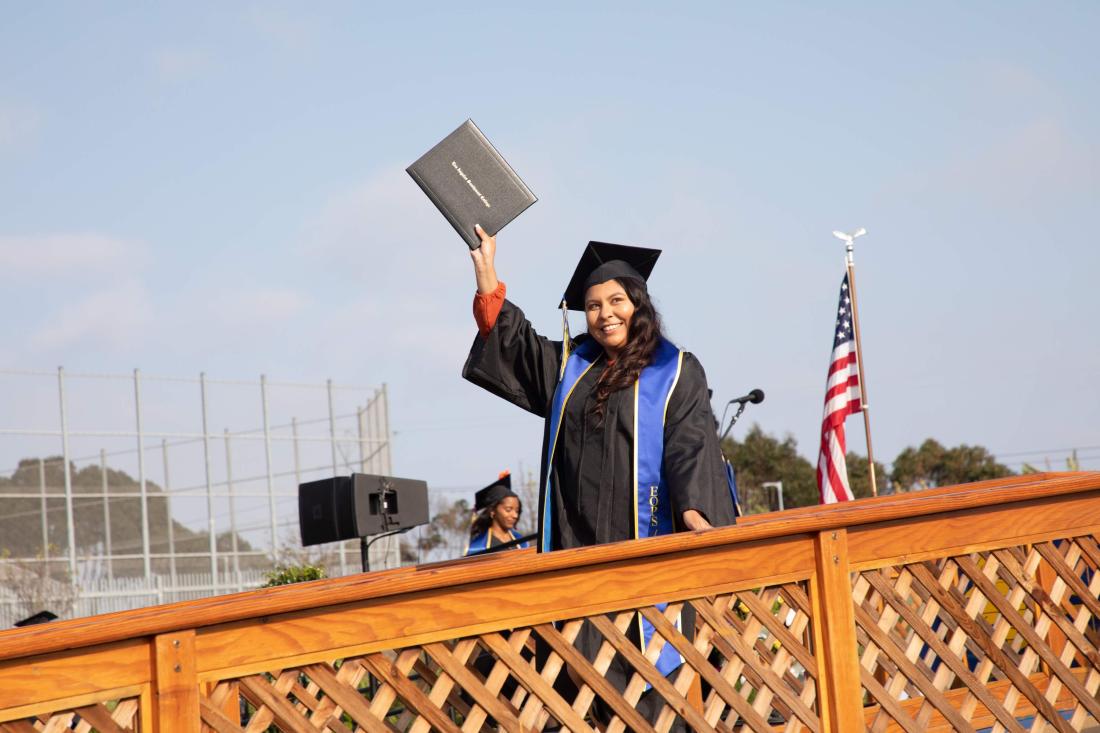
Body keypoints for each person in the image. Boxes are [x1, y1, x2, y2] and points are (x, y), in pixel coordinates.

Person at [462, 226, 737, 728]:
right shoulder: (570, 367)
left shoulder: (675, 371)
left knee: (651, 700)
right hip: (575, 557)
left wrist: (696, 509)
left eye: (616, 300)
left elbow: (691, 442)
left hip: (644, 564)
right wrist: (487, 274)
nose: (605, 313)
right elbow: (513, 341)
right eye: (592, 305)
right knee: (576, 691)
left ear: (639, 305)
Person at [464, 471, 530, 557]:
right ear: (492, 511)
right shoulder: (479, 547)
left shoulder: (521, 542)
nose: (515, 515)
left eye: (517, 511)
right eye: (508, 510)